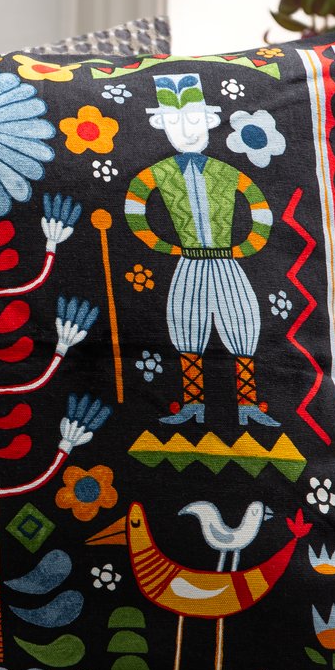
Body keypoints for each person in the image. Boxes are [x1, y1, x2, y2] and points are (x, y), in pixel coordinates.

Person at [123, 72, 277, 428]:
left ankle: (248, 405)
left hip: (226, 262)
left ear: (210, 120)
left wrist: (244, 249)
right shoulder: (158, 173)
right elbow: (134, 205)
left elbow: (260, 208)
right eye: (175, 122)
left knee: (242, 322)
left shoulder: (225, 172)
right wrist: (164, 245)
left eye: (193, 119)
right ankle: (193, 404)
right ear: (162, 125)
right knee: (186, 325)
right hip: (189, 262)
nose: (186, 130)